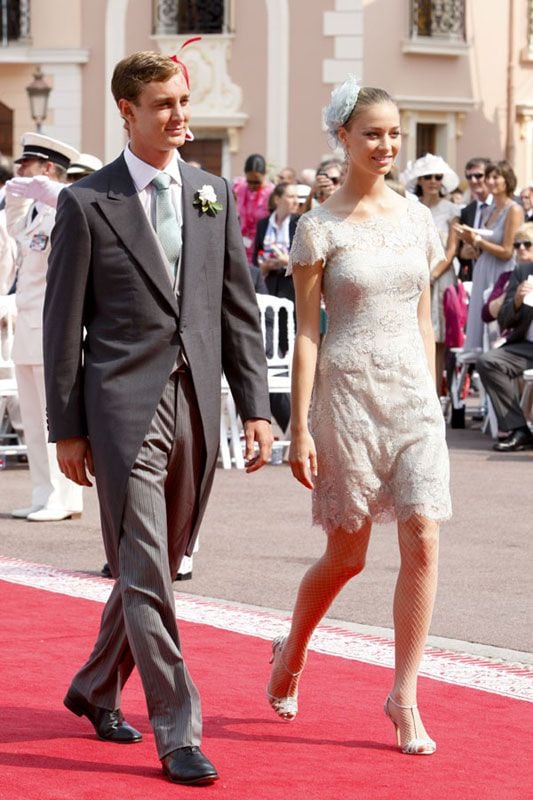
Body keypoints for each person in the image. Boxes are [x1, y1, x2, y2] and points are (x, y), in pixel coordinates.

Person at [43, 50, 272, 786]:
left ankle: (94, 686)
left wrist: (257, 411)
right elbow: (63, 328)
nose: (180, 115)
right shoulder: (86, 201)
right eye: (164, 104)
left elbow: (235, 310)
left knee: (160, 565)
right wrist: (67, 428)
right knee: (143, 567)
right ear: (127, 112)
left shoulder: (211, 192)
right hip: (119, 409)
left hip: (198, 407)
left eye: (182, 101)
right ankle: (177, 727)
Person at [266, 76, 451, 756]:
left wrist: (430, 395)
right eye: (372, 132)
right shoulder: (317, 228)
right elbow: (309, 330)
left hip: (411, 399)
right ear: (342, 137)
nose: (386, 144)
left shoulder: (416, 219)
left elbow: (423, 317)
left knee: (424, 533)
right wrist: (298, 425)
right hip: (345, 397)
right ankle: (291, 650)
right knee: (346, 557)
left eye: (394, 133)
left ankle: (402, 696)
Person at [5, 133, 84, 522]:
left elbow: (81, 210)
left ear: (48, 169)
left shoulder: (66, 206)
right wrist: (19, 193)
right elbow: (14, 225)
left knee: (58, 420)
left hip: (55, 328)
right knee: (34, 419)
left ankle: (63, 496)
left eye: (27, 166)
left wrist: (49, 191)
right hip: (28, 327)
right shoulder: (35, 212)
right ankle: (44, 492)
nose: (20, 171)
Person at [402, 153, 460, 394]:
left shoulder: (452, 209)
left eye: (438, 177)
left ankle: (435, 394)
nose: (433, 181)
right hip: (414, 276)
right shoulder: (410, 208)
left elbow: (452, 249)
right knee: (412, 337)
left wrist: (433, 274)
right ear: (420, 180)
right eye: (428, 177)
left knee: (438, 339)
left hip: (441, 277)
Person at [476, 222, 533, 451]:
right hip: (527, 347)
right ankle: (518, 429)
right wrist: (517, 303)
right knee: (488, 361)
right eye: (517, 245)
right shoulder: (522, 273)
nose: (520, 249)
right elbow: (503, 320)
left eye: (526, 244)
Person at [456, 161, 524, 352]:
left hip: (501, 272)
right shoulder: (489, 210)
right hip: (483, 268)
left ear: (507, 180)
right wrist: (469, 243)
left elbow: (507, 251)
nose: (491, 181)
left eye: (496, 177)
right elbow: (484, 245)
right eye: (489, 177)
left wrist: (477, 240)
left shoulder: (514, 209)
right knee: (479, 320)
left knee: (494, 324)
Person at [253, 181, 300, 433]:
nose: (295, 201)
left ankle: (292, 417)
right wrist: (266, 264)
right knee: (270, 344)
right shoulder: (264, 224)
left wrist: (286, 260)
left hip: (290, 286)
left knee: (287, 343)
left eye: (296, 197)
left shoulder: (299, 222)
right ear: (278, 199)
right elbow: (254, 260)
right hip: (268, 283)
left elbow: (305, 259)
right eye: (291, 196)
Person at [232, 153, 275, 264]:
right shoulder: (239, 187)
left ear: (265, 174)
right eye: (249, 181)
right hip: (242, 243)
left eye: (256, 182)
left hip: (260, 246)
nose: (252, 186)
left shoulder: (271, 193)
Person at [457, 158, 492, 281]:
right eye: (469, 176)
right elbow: (460, 250)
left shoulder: (502, 207)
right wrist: (463, 253)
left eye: (478, 176)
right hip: (474, 277)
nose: (473, 180)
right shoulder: (467, 211)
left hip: (499, 275)